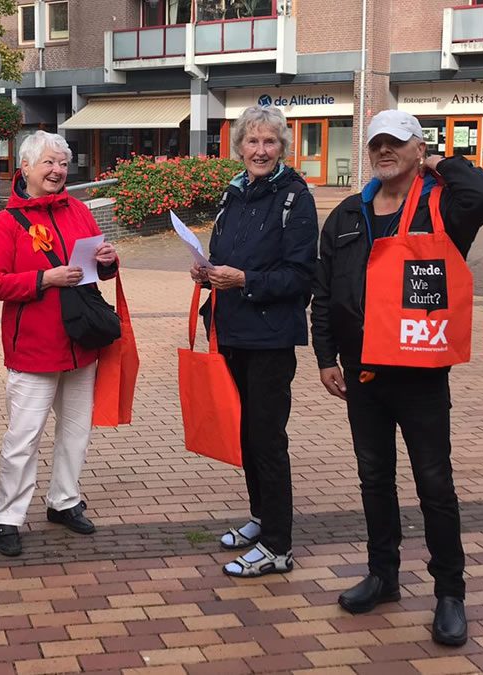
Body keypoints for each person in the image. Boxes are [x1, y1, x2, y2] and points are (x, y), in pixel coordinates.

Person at [311, 110, 483, 646]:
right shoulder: (349, 213)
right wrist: (325, 356)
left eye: (396, 143)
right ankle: (384, 575)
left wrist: (442, 162)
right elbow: (324, 290)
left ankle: (450, 593)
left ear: (417, 149)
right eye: (377, 142)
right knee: (374, 480)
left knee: (434, 484)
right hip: (363, 374)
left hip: (421, 373)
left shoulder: (445, 204)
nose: (384, 151)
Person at [189, 105, 319, 578]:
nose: (260, 150)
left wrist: (244, 279)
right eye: (251, 141)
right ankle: (262, 520)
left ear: (282, 147)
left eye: (269, 142)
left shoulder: (295, 198)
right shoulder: (234, 195)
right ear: (239, 147)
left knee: (267, 438)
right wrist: (207, 272)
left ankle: (279, 547)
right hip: (230, 332)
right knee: (245, 434)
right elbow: (227, 257)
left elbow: (302, 276)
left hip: (269, 338)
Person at [0, 131, 119, 557]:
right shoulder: (6, 222)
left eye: (62, 163)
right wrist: (44, 279)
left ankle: (64, 500)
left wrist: (108, 262)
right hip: (34, 349)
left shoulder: (78, 210)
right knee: (23, 438)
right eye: (49, 163)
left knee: (75, 432)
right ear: (26, 169)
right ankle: (8, 516)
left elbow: (96, 269)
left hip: (82, 342)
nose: (58, 171)